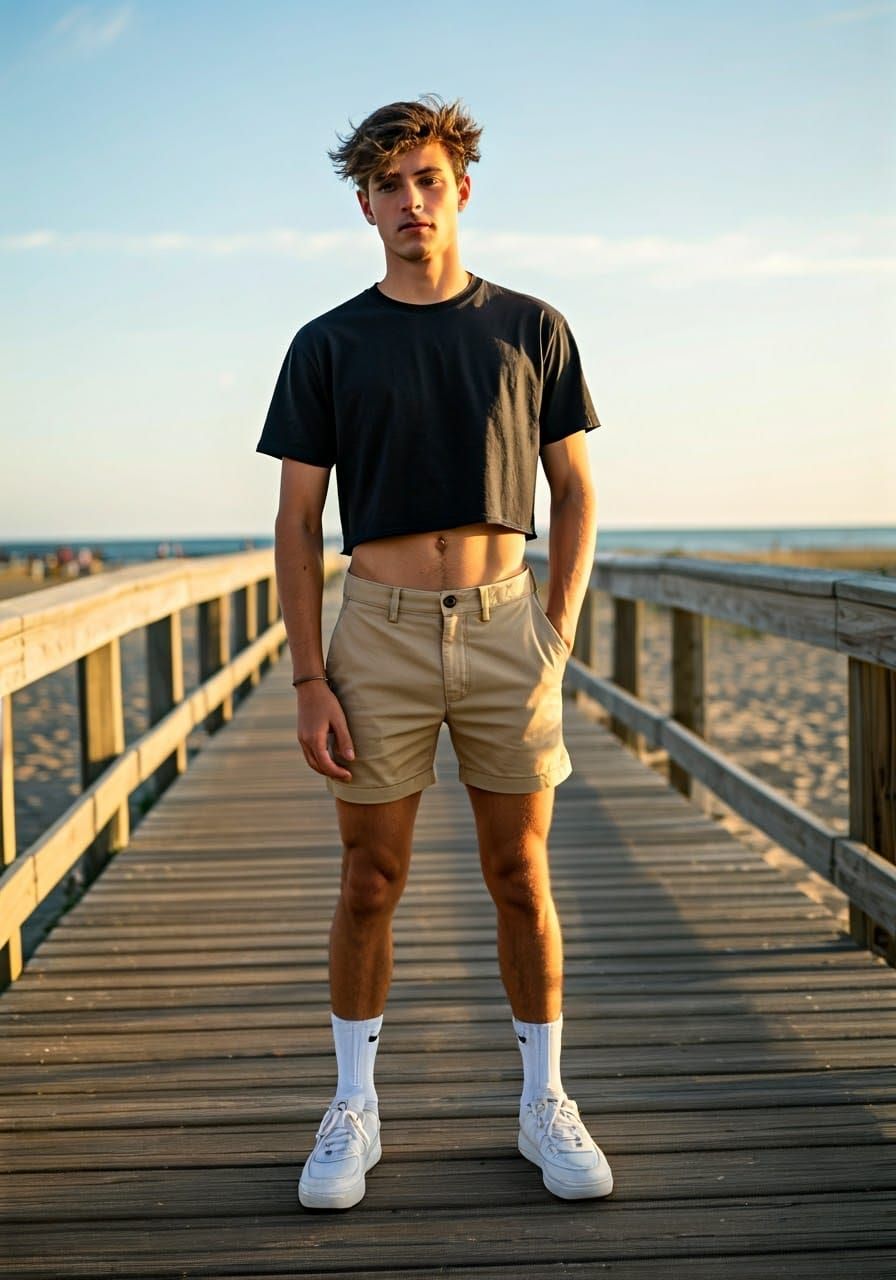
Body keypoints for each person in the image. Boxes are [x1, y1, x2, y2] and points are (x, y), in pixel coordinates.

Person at [256, 94, 611, 1210]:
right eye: (389, 185)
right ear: (362, 204)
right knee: (372, 877)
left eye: (428, 178)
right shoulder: (326, 342)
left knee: (519, 874)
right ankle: (352, 1105)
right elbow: (295, 523)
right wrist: (309, 675)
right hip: (380, 635)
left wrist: (552, 627)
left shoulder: (533, 326)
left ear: (461, 186)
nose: (411, 202)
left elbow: (574, 491)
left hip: (509, 625)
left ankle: (541, 1099)